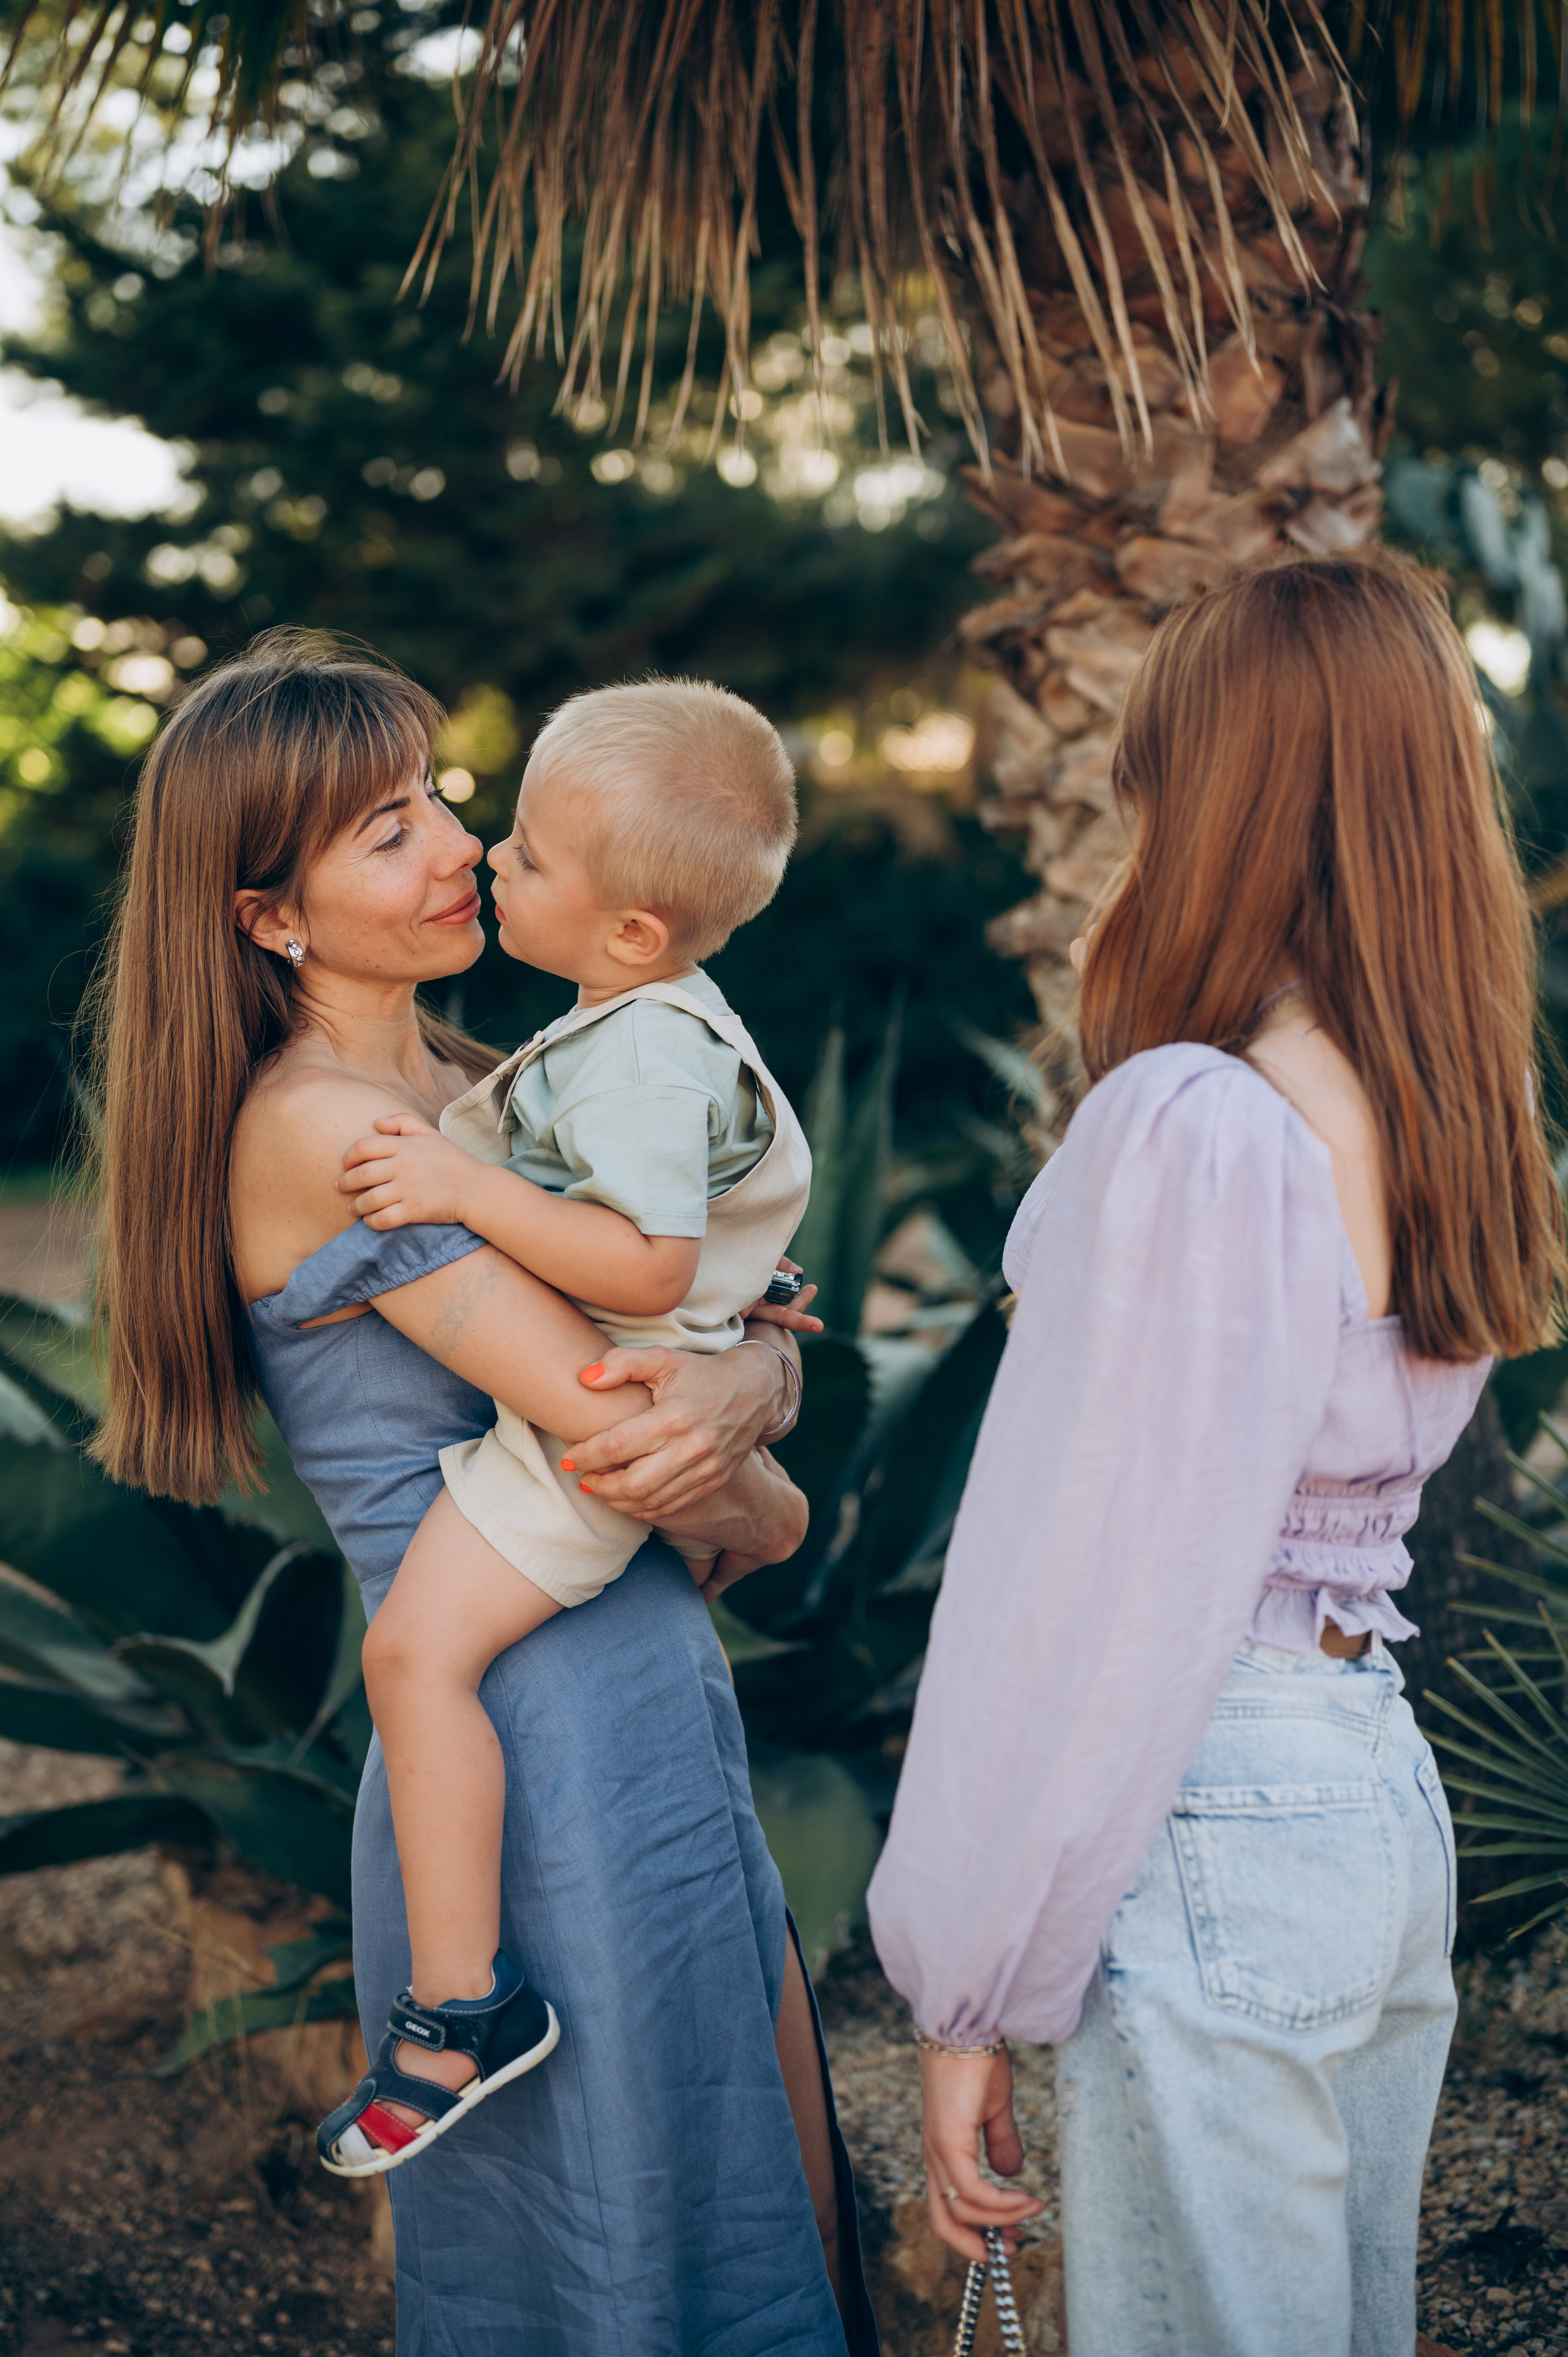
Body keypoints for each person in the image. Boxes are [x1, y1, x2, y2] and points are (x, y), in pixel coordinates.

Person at [86, 630, 878, 2355]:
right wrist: (761, 1455)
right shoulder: (320, 1127)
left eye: (438, 800)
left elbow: (695, 1342)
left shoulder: (467, 1095)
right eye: (388, 829)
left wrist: (756, 1377)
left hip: (641, 1686)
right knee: (616, 2215)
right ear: (266, 916)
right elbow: (619, 1421)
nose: (456, 842)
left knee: (754, 2166)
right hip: (528, 1739)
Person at [867, 556, 1562, 2357]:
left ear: (1222, 797)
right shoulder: (1443, 1107)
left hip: (1218, 1797)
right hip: (1366, 1790)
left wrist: (965, 1994)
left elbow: (1087, 1589)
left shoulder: (1201, 1121)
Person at [314, 679, 820, 2171]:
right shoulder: (618, 1029)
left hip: (582, 1447)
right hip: (610, 1445)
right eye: (403, 825)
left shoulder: (639, 1048)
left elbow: (651, 1270)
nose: (481, 855)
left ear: (630, 933)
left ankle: (461, 2006)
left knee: (411, 1654)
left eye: (516, 849)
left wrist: (466, 1190)